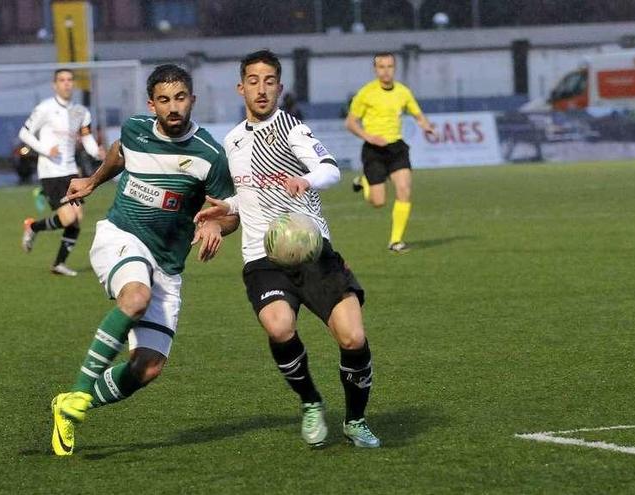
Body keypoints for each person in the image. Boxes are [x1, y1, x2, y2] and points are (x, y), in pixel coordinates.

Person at [48, 64, 237, 456]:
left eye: (180, 98)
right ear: (151, 104)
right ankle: (81, 393)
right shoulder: (135, 128)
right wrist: (93, 181)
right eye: (164, 100)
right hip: (121, 235)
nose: (173, 107)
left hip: (169, 262)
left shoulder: (210, 155)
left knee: (147, 368)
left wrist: (218, 226)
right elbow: (119, 153)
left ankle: (67, 404)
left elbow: (230, 211)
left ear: (192, 100)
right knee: (135, 297)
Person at [195, 50, 380, 449]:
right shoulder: (232, 142)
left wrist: (306, 180)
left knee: (352, 337)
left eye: (269, 81)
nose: (261, 89)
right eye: (253, 81)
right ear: (241, 87)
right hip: (264, 258)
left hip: (312, 251)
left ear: (279, 87)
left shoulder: (292, 129)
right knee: (279, 326)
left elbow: (330, 168)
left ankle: (356, 420)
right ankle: (311, 401)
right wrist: (222, 210)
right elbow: (244, 197)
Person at [345, 52, 436, 253]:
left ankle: (395, 241)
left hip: (396, 148)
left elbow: (417, 114)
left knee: (404, 189)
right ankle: (364, 182)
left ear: (394, 68)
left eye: (389, 66)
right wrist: (368, 137)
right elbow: (350, 123)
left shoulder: (403, 92)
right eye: (381, 67)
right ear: (375, 70)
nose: (386, 71)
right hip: (374, 150)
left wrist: (427, 126)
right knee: (378, 202)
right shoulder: (366, 93)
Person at [18, 69, 104, 276]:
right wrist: (46, 150)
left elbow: (86, 136)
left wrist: (96, 151)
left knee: (77, 217)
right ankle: (33, 227)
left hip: (70, 171)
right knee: (67, 219)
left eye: (69, 80)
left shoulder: (81, 111)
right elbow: (24, 133)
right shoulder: (45, 108)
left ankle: (58, 264)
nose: (66, 84)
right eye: (61, 80)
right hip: (50, 171)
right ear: (54, 85)